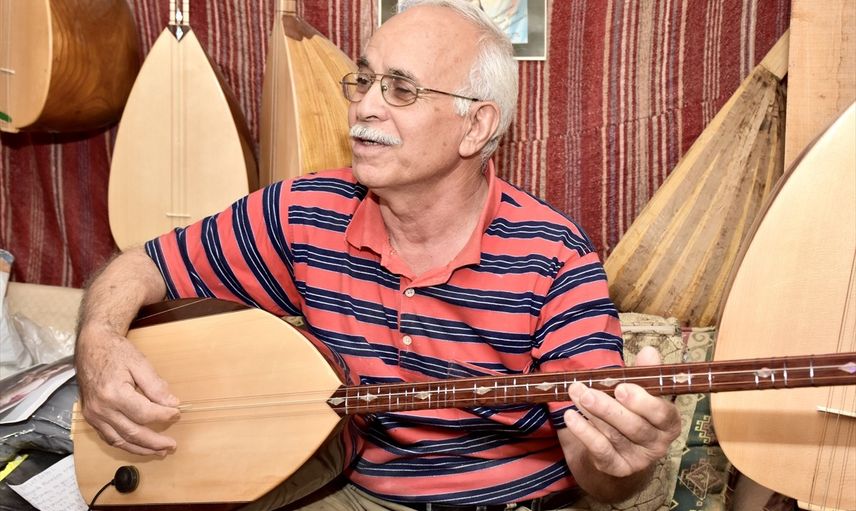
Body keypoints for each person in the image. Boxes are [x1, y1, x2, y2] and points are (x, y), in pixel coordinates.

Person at [75, 0, 681, 509]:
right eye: (364, 80)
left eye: (401, 89)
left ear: (476, 127)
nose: (365, 105)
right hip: (346, 489)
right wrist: (98, 340)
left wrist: (622, 459)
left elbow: (600, 471)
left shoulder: (555, 257)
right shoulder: (305, 211)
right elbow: (142, 265)